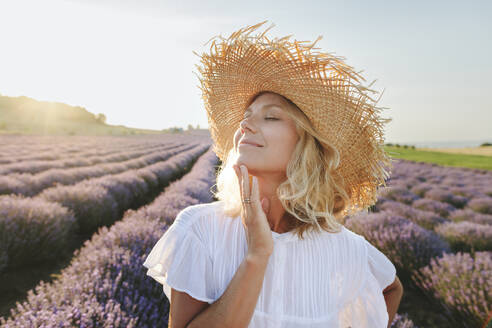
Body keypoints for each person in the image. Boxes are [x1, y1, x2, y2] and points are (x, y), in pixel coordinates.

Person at [143, 20, 403, 328]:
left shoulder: (346, 249)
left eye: (270, 116)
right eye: (246, 116)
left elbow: (391, 289)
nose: (245, 125)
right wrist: (257, 255)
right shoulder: (200, 230)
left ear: (306, 144)